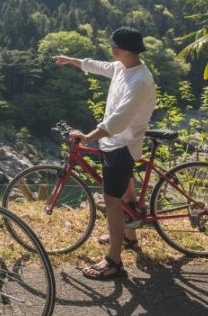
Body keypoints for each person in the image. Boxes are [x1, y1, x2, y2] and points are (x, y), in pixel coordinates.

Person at [53, 27, 156, 280]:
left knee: (111, 201)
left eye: (113, 46)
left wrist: (88, 137)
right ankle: (129, 236)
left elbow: (119, 121)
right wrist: (72, 61)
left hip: (123, 144)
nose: (110, 49)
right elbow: (98, 66)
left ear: (121, 50)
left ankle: (114, 261)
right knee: (125, 190)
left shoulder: (140, 80)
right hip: (115, 142)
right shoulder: (123, 67)